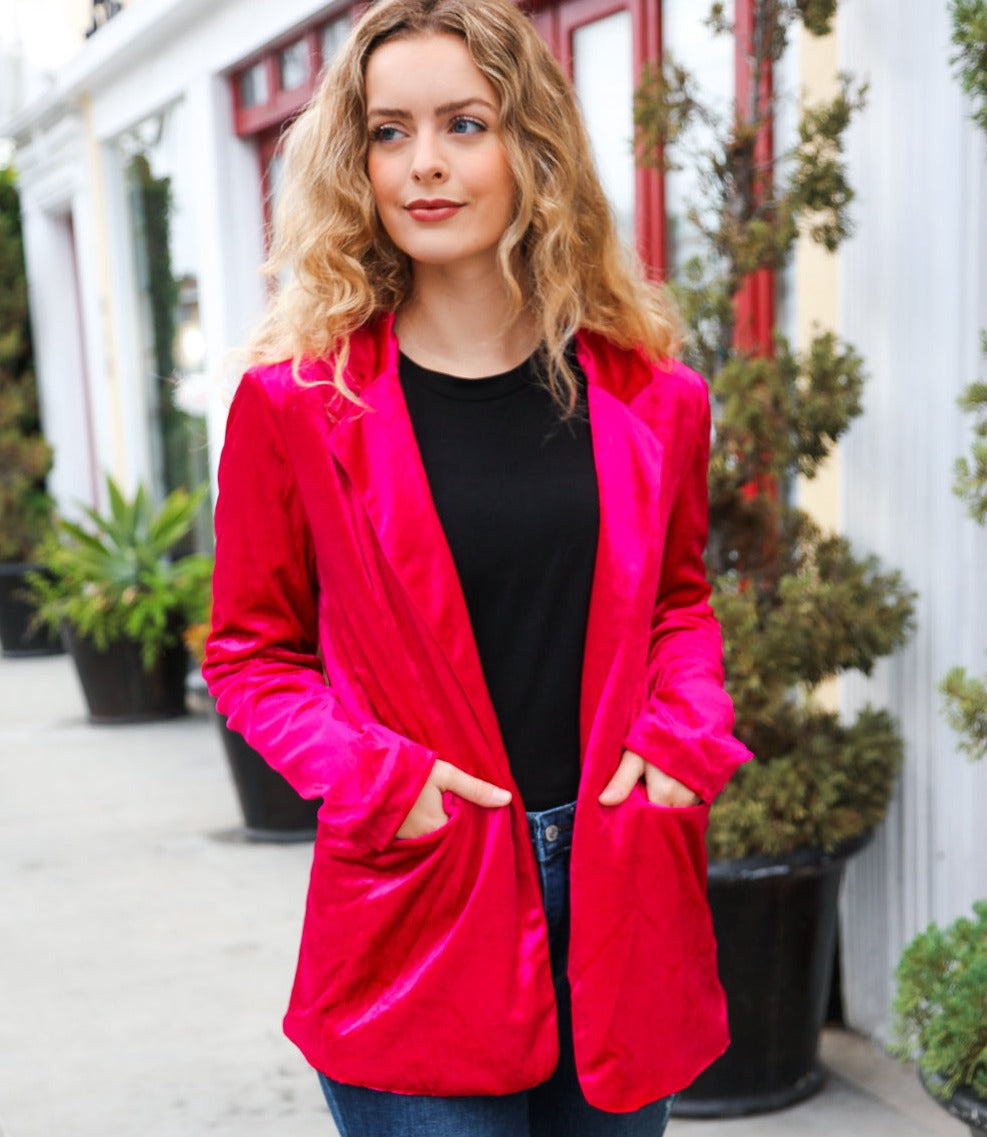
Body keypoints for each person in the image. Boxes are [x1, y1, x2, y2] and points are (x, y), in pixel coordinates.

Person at [204, 1, 751, 1133]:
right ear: (354, 162)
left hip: (620, 890)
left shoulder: (655, 398)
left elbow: (679, 607)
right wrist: (379, 783)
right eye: (389, 132)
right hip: (422, 911)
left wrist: (682, 744)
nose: (425, 166)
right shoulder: (295, 409)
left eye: (464, 124)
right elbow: (252, 654)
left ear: (532, 150)